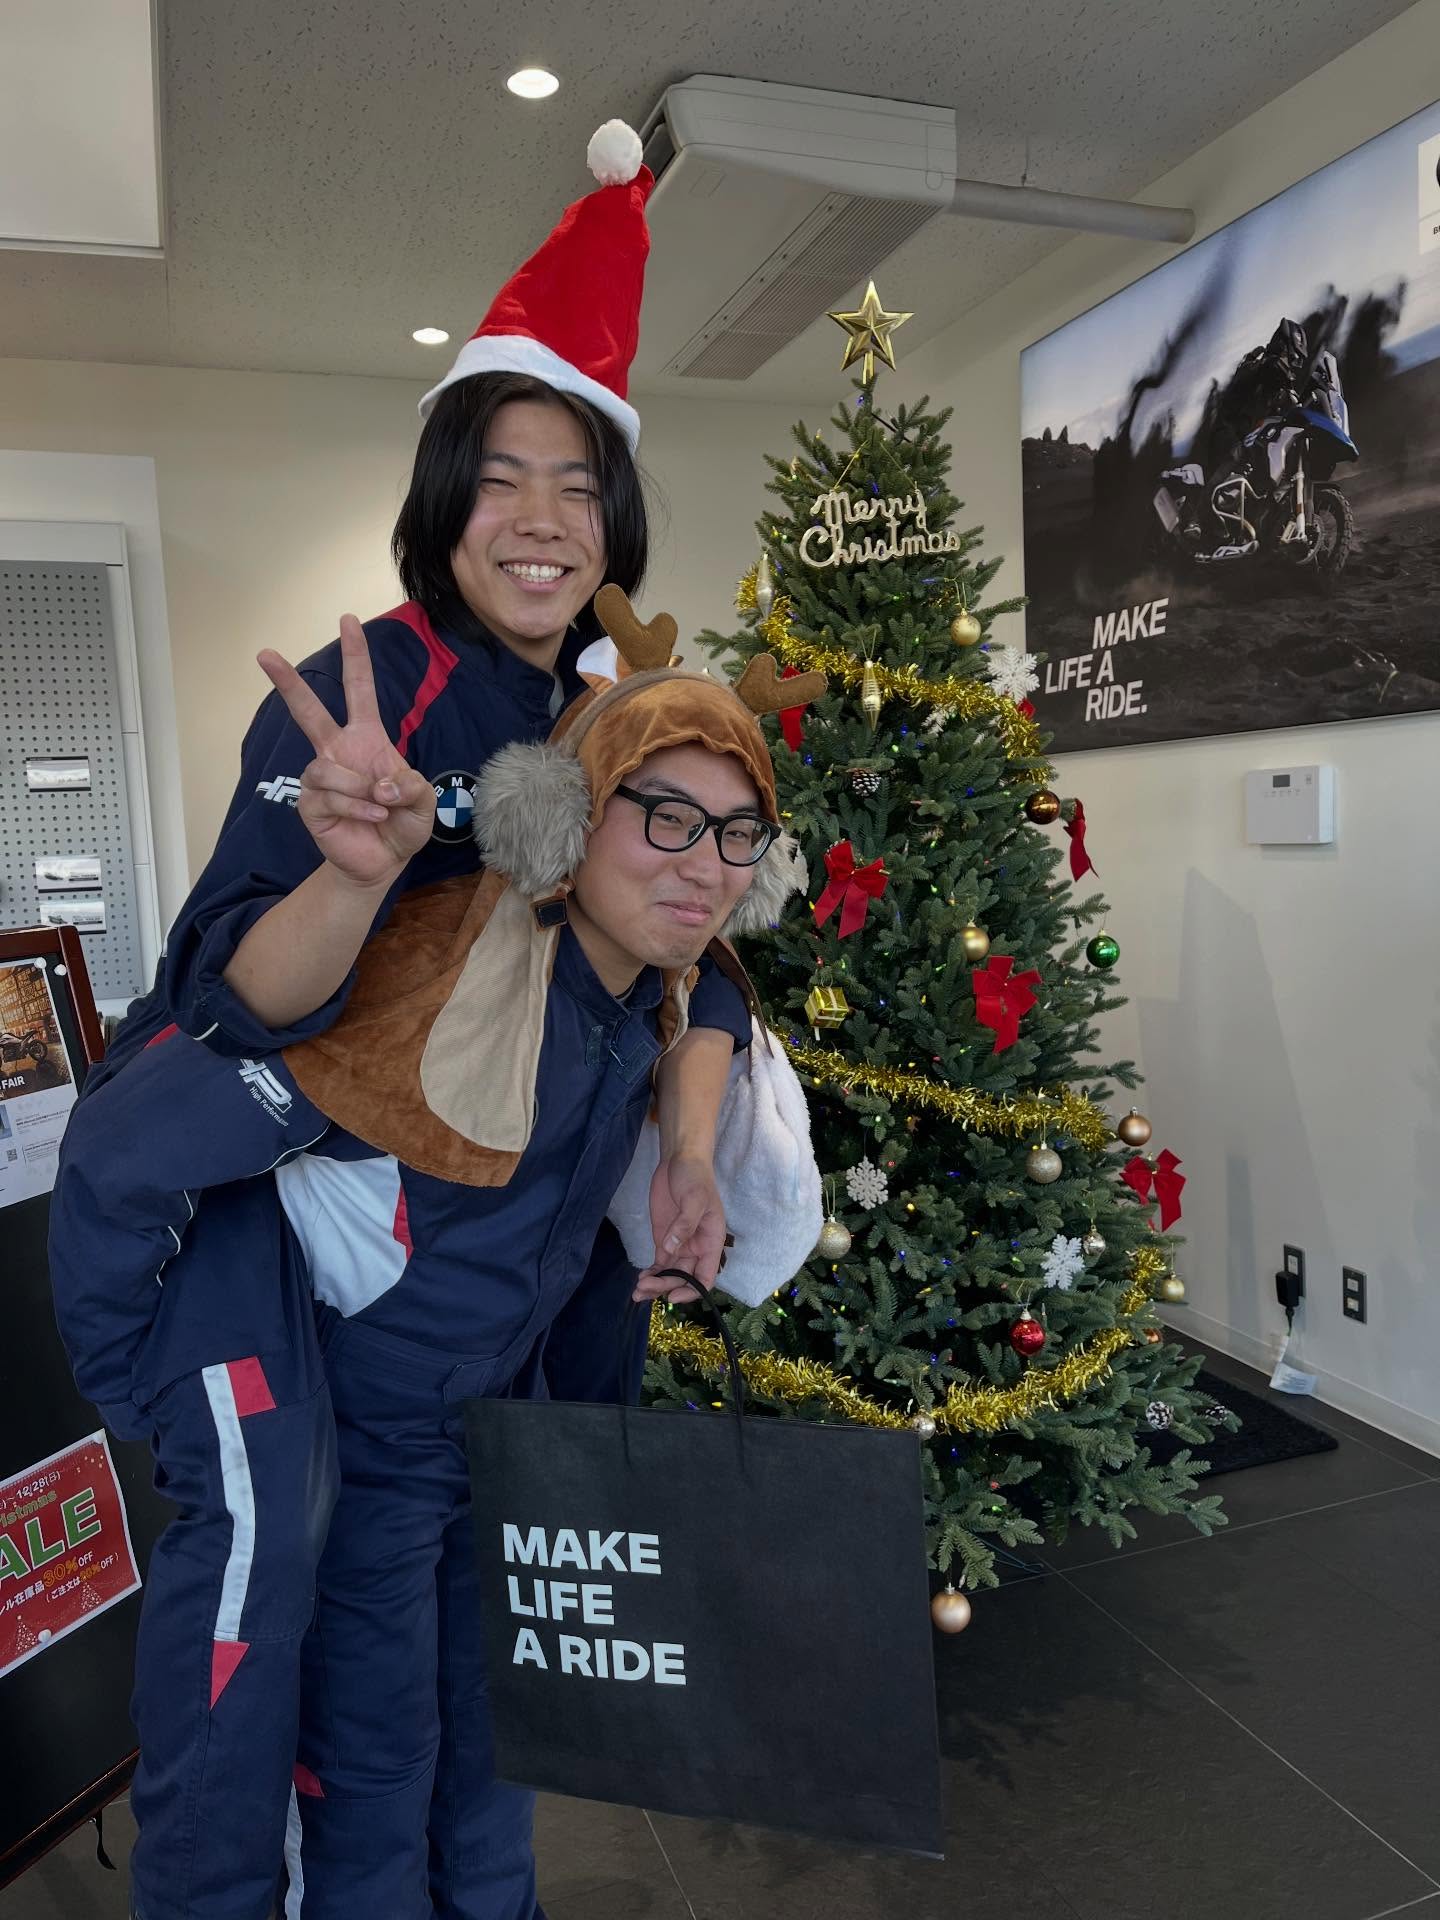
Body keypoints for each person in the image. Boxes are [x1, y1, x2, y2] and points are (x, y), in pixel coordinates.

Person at [50, 120, 750, 1920]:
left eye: (579, 483)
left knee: (486, 1727)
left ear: (616, 520)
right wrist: (356, 871)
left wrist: (688, 1147)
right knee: (339, 1731)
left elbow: (707, 944)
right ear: (445, 500)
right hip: (349, 1330)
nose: (542, 518)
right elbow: (228, 1000)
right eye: (501, 476)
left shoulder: (616, 709)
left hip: (517, 1326)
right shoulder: (362, 697)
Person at [50, 594, 818, 1918]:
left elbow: (714, 991)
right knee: (377, 1763)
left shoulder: (656, 982)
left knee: (498, 1744)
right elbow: (128, 1143)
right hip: (368, 1451)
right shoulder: (432, 974)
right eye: (666, 818)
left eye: (737, 833)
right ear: (569, 820)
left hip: (501, 1431)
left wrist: (690, 1154)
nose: (705, 867)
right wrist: (141, 1391)